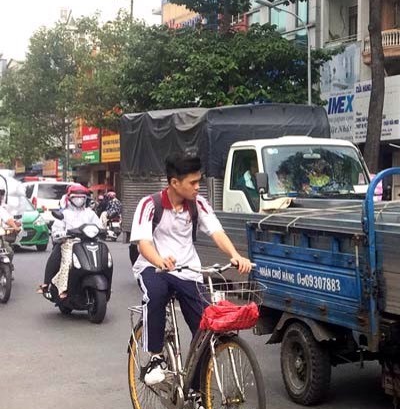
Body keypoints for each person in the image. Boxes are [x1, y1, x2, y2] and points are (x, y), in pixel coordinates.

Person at [132, 152, 252, 388]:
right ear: (175, 183)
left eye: (199, 181)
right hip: (154, 268)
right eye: (193, 183)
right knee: (155, 296)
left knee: (206, 328)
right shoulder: (149, 204)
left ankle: (196, 392)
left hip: (189, 271)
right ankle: (155, 359)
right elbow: (143, 243)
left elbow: (217, 232)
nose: (198, 187)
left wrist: (235, 255)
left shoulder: (198, 204)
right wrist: (159, 260)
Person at [37, 184, 103, 298]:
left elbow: (100, 226)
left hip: (89, 243)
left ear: (86, 199)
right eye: (75, 197)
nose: (79, 199)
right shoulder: (64, 214)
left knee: (104, 258)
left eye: (82, 197)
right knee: (65, 261)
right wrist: (62, 234)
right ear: (69, 198)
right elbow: (56, 231)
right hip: (68, 243)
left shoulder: (90, 213)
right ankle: (54, 286)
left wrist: (103, 231)